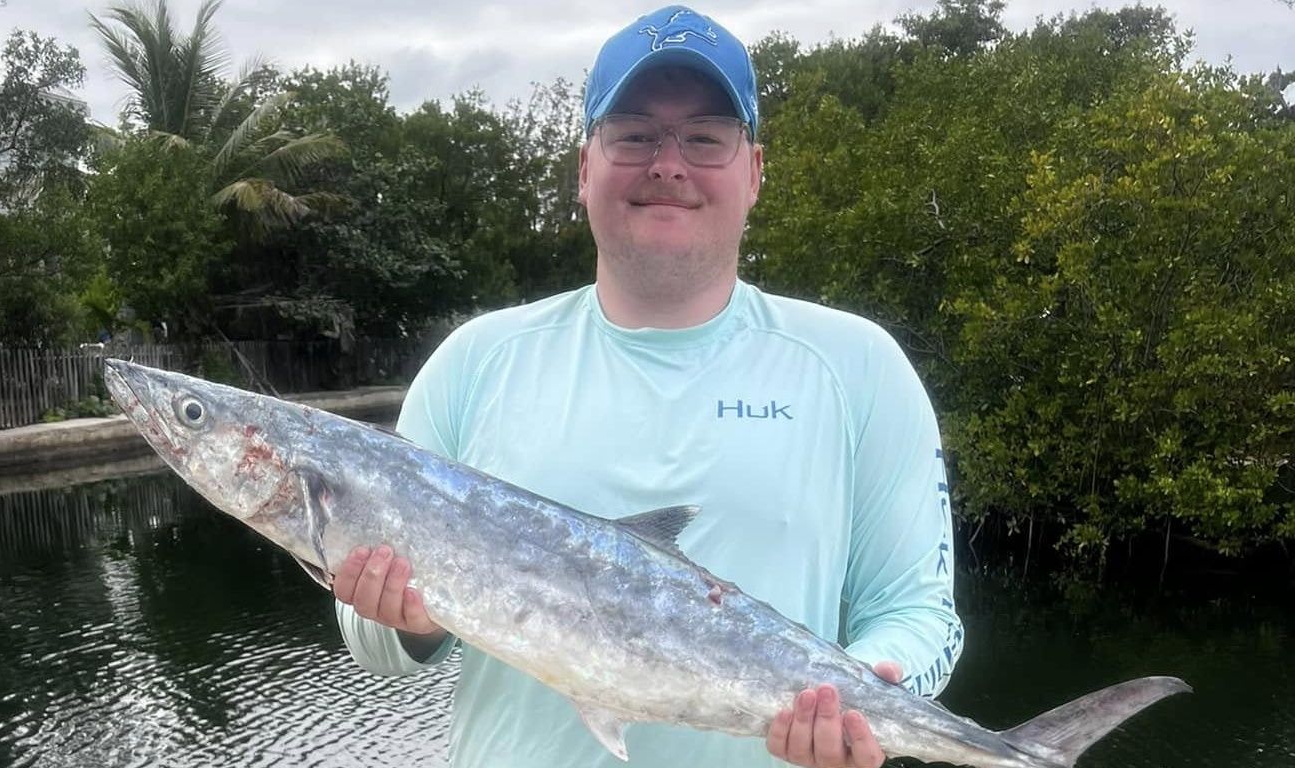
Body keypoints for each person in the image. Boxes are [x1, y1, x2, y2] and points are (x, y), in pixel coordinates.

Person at [333, 5, 963, 767]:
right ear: (585, 169)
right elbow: (371, 645)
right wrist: (412, 618)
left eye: (706, 137)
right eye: (633, 134)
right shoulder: (475, 361)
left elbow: (921, 614)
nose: (668, 164)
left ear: (755, 171)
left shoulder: (859, 364)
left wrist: (874, 692)